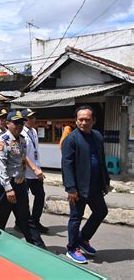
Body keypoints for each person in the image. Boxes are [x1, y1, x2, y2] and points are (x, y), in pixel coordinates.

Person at [0, 110, 46, 249]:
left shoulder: (22, 140)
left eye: (21, 122)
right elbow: (1, 167)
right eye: (16, 123)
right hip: (5, 186)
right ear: (7, 123)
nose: (19, 125)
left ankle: (39, 248)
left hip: (20, 184)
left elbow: (22, 159)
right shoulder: (3, 140)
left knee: (26, 219)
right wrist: (8, 189)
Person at [62, 105, 110, 264]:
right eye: (81, 119)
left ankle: (83, 238)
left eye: (87, 119)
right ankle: (72, 247)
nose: (84, 122)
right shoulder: (71, 139)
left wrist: (106, 182)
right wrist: (71, 188)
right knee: (76, 217)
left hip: (95, 185)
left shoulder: (97, 136)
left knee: (101, 211)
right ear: (76, 120)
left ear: (94, 121)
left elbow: (101, 160)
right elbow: (67, 164)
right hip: (79, 187)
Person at [20, 108, 49, 233]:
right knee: (23, 200)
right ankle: (21, 223)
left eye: (34, 117)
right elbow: (22, 154)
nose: (33, 120)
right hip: (26, 172)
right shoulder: (21, 132)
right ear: (24, 120)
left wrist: (38, 168)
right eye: (30, 118)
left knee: (40, 196)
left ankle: (35, 221)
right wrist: (34, 168)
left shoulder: (34, 131)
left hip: (36, 171)